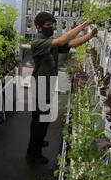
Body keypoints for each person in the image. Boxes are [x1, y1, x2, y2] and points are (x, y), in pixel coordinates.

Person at [26, 12, 97, 165]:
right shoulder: (37, 43)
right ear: (38, 27)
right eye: (47, 25)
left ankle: (37, 142)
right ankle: (33, 153)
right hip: (40, 87)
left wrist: (91, 35)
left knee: (41, 119)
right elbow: (64, 39)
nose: (50, 27)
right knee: (40, 120)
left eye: (52, 24)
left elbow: (72, 44)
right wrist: (84, 24)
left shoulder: (51, 41)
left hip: (47, 86)